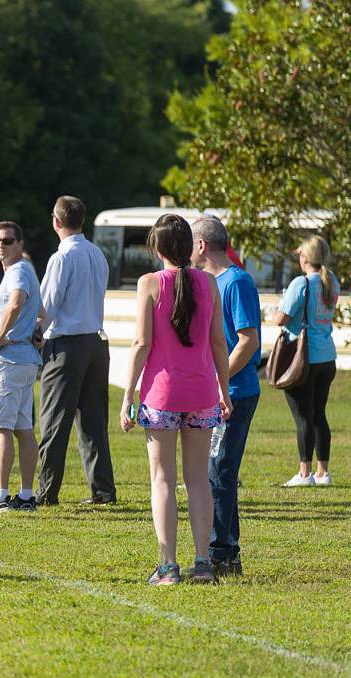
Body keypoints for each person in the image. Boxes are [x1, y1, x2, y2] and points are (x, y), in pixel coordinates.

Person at [120, 213, 231, 586]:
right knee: (198, 480)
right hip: (202, 393)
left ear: (158, 247)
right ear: (189, 246)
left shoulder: (149, 283)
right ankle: (203, 564)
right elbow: (219, 342)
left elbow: (141, 343)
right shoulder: (209, 283)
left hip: (161, 395)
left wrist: (127, 396)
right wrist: (224, 392)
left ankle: (168, 567)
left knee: (163, 480)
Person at [35, 196, 117, 507]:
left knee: (55, 421)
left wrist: (35, 334)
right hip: (96, 342)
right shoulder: (97, 253)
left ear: (56, 222)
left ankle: (46, 492)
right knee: (93, 422)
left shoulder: (61, 257)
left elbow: (49, 305)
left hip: (67, 344)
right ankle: (103, 490)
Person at [192, 216, 260, 576]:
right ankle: (226, 549)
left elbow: (248, 341)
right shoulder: (209, 283)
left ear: (201, 245)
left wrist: (219, 383)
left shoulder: (236, 282)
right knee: (217, 471)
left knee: (219, 470)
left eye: (191, 242)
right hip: (219, 392)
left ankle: (223, 552)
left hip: (236, 392)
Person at [0, 222, 43, 513]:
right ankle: (27, 496)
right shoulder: (26, 270)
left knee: (1, 429)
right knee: (23, 429)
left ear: (20, 243)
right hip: (27, 359)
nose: (0, 246)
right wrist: (36, 329)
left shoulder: (18, 270)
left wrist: (1, 336)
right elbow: (42, 311)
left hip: (9, 359)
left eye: (7, 241)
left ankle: (1, 497)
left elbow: (17, 301)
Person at [272, 235, 340, 487]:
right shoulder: (331, 281)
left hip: (303, 358)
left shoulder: (300, 284)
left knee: (302, 416)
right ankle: (323, 473)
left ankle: (304, 473)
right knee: (319, 414)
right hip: (327, 357)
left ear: (305, 258)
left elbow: (281, 318)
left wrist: (275, 311)